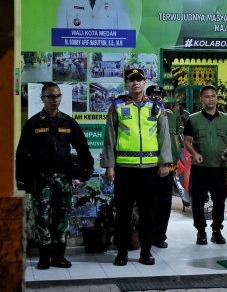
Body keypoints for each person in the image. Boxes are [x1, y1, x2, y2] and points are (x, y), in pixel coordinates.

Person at [16, 82, 94, 270]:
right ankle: (44, 257)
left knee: (62, 218)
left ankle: (58, 256)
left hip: (63, 180)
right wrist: (21, 180)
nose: (55, 99)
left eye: (58, 96)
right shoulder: (33, 123)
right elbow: (22, 154)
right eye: (51, 96)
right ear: (42, 98)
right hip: (40, 180)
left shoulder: (68, 122)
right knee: (42, 219)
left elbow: (82, 147)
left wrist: (87, 168)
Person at [100, 68, 172, 266]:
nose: (135, 83)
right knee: (123, 214)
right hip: (124, 170)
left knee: (147, 214)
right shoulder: (117, 106)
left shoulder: (156, 106)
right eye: (131, 80)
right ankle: (121, 252)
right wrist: (109, 166)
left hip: (150, 170)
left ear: (144, 82)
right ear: (126, 84)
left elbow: (163, 136)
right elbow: (110, 138)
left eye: (139, 79)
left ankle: (146, 252)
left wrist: (164, 162)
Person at [183, 84, 227, 246]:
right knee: (198, 201)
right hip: (200, 169)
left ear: (217, 98)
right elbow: (186, 141)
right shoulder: (193, 119)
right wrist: (194, 154)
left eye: (213, 96)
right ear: (201, 99)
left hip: (219, 167)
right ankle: (201, 232)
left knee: (220, 200)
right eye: (207, 96)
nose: (210, 99)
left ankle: (217, 231)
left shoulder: (226, 119)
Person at [145, 85, 181, 249]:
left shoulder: (171, 115)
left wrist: (175, 161)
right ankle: (147, 235)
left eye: (159, 96)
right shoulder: (142, 113)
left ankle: (160, 235)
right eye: (153, 96)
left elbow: (173, 139)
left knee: (164, 202)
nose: (157, 99)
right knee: (148, 201)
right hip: (149, 164)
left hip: (168, 165)